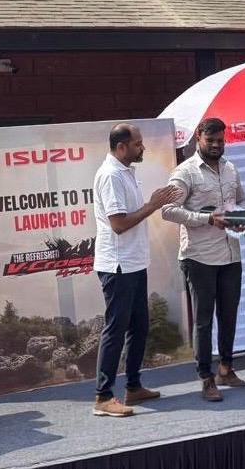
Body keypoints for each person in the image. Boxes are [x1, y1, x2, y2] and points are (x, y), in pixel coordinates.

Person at [92, 123, 182, 417]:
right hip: (117, 266)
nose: (143, 147)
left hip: (133, 263)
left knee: (139, 326)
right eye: (138, 144)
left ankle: (133, 386)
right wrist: (153, 205)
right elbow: (118, 224)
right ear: (121, 147)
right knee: (116, 328)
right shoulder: (111, 175)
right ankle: (103, 396)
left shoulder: (125, 171)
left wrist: (151, 203)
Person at [162, 117, 245, 402]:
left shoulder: (231, 168)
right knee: (203, 321)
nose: (216, 145)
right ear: (198, 138)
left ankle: (226, 368)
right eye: (210, 140)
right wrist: (207, 218)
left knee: (229, 315)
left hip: (231, 254)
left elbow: (242, 201)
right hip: (199, 258)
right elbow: (168, 210)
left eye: (220, 141)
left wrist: (243, 217)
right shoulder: (185, 171)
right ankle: (206, 377)